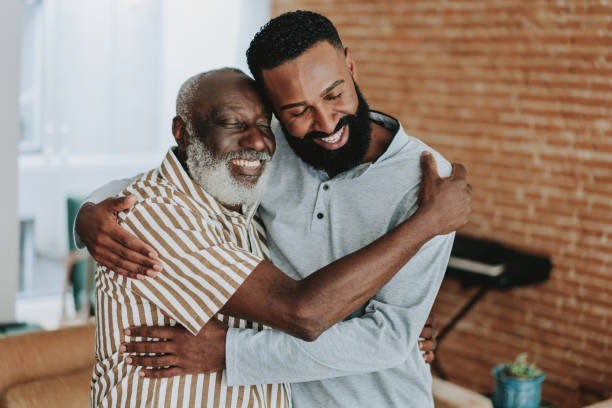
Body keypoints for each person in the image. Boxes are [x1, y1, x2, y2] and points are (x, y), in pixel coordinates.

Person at [77, 11, 472, 408]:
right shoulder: (266, 147)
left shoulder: (431, 185)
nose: (325, 122)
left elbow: (387, 338)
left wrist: (233, 352)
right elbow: (174, 177)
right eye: (297, 111)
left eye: (334, 94)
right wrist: (89, 214)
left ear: (350, 66)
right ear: (276, 109)